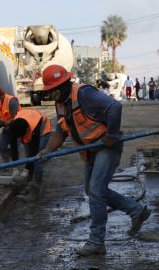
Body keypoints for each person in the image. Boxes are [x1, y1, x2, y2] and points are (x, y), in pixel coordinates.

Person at [36, 64, 150, 256]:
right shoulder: (61, 103)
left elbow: (114, 106)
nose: (51, 94)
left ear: (63, 84)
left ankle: (96, 241)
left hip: (106, 146)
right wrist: (46, 150)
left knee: (96, 190)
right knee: (92, 189)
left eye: (52, 90)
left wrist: (112, 135)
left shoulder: (84, 93)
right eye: (49, 91)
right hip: (90, 150)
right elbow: (61, 131)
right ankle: (135, 210)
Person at [7, 108, 52, 200]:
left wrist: (26, 170)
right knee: (28, 157)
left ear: (26, 131)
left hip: (43, 132)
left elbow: (34, 152)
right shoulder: (13, 127)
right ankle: (30, 184)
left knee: (37, 159)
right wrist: (15, 167)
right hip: (28, 128)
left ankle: (37, 189)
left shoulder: (35, 126)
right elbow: (14, 147)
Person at [0, 86, 19, 162]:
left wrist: (5, 123)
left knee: (15, 147)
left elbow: (16, 117)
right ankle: (7, 165)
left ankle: (15, 166)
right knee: (2, 146)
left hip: (17, 128)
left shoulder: (12, 101)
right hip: (7, 128)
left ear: (2, 95)